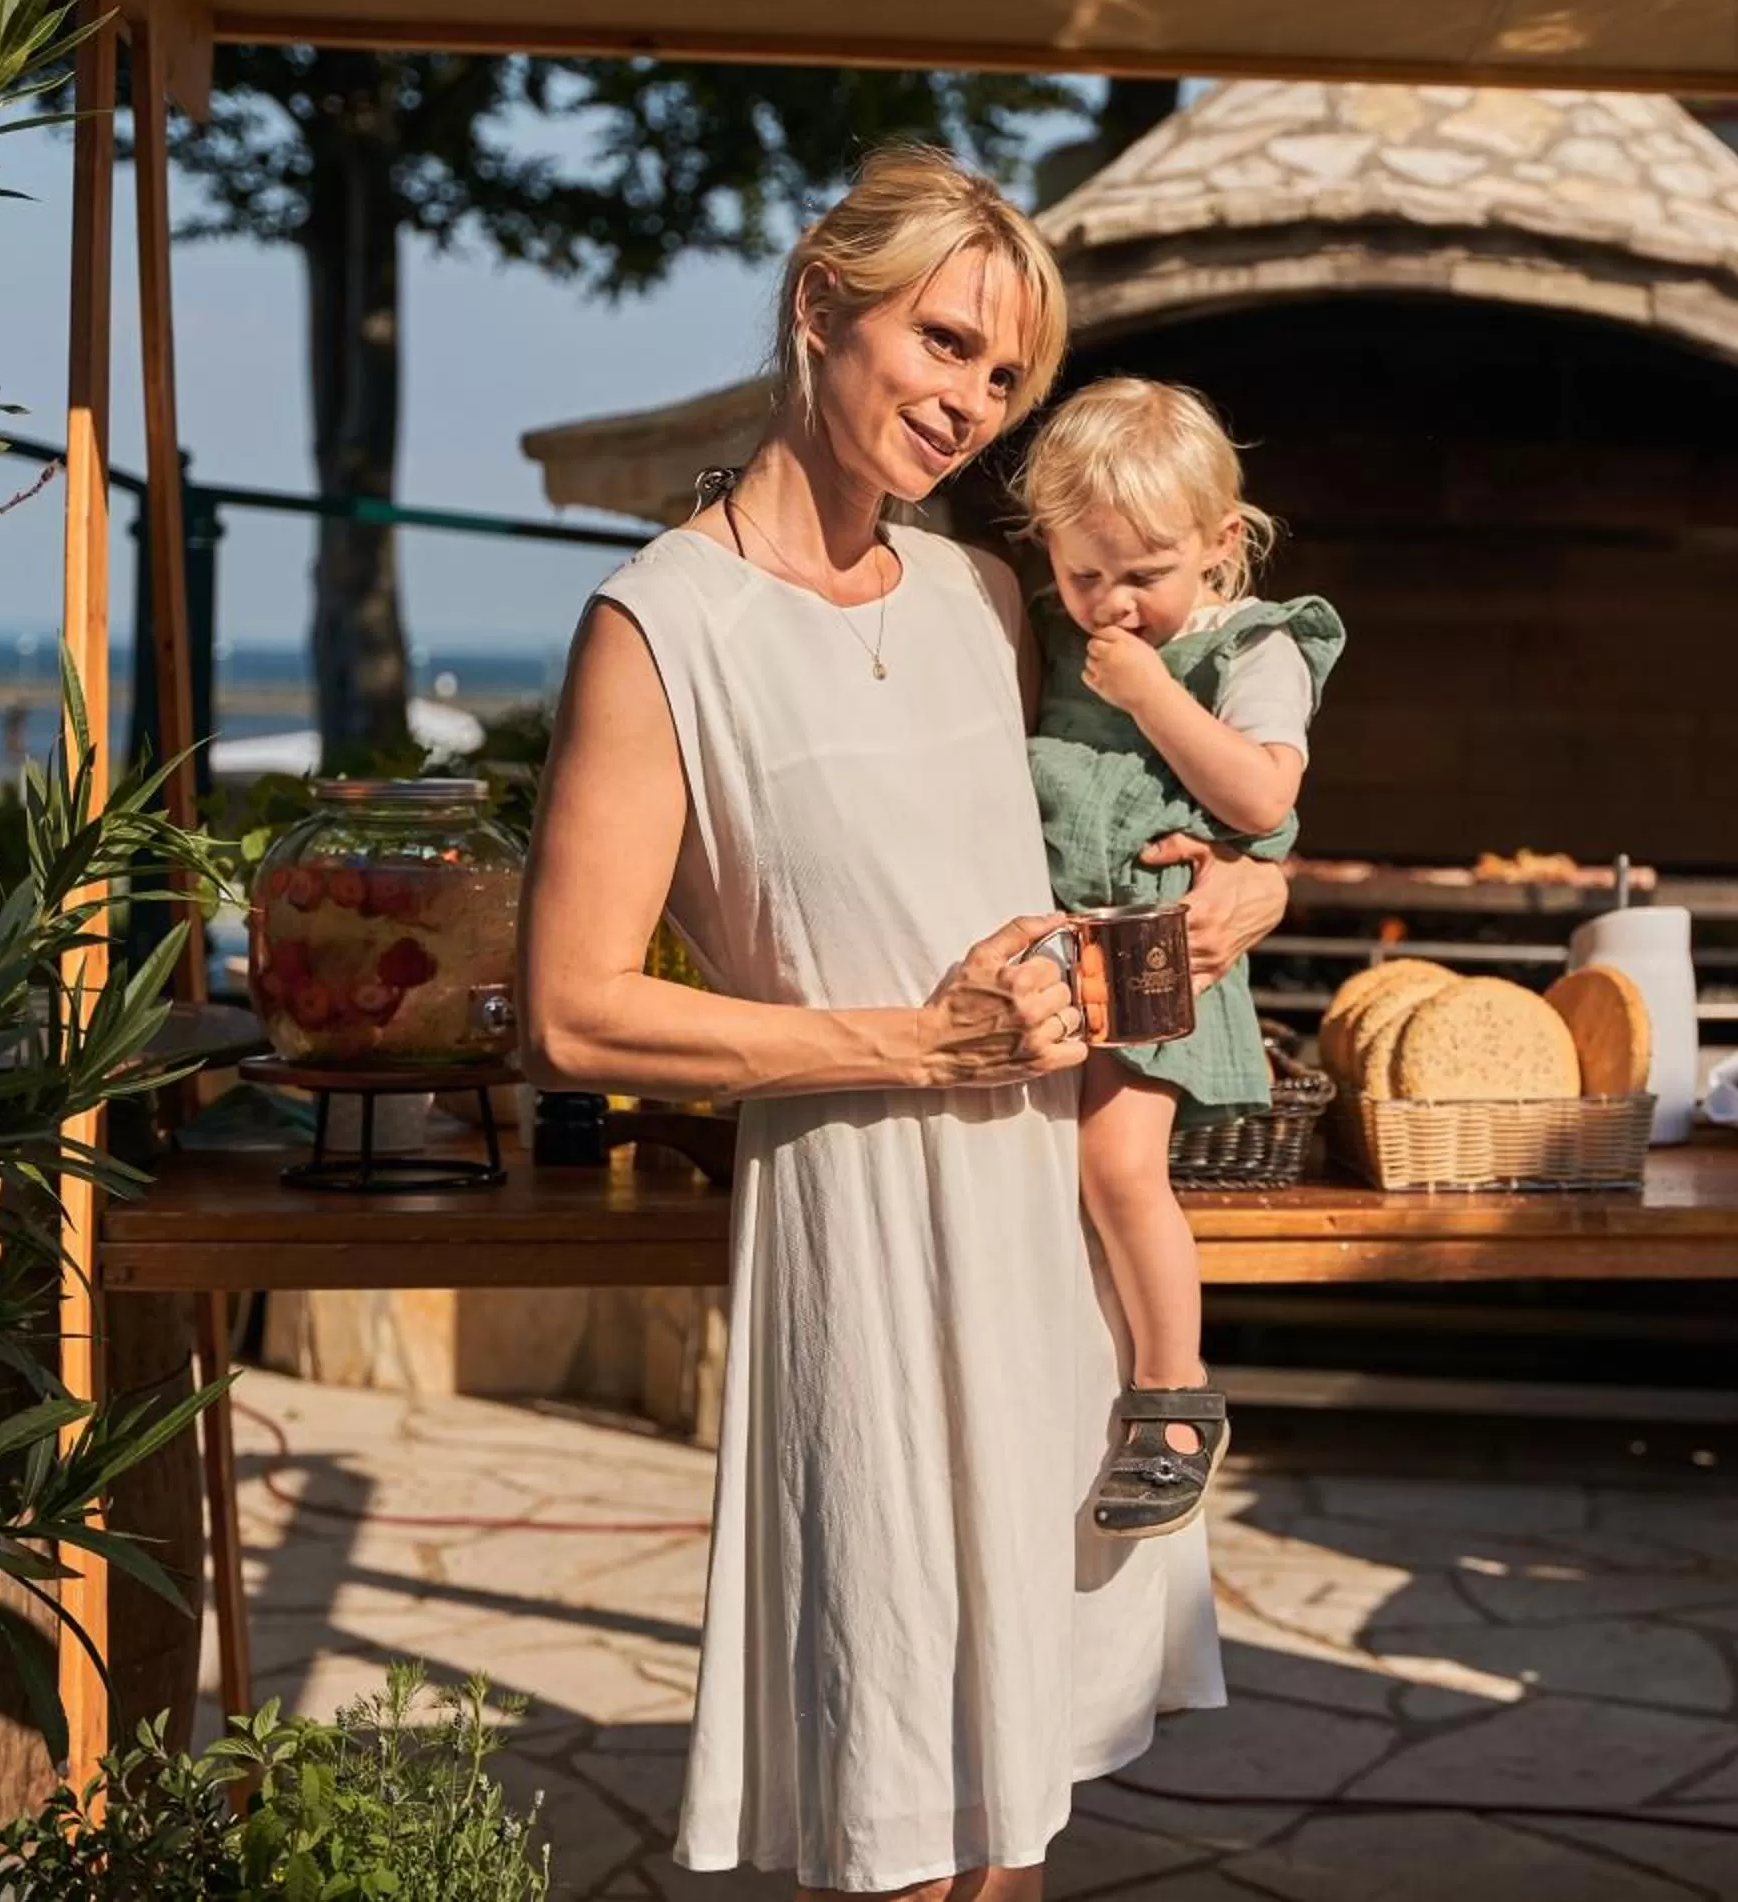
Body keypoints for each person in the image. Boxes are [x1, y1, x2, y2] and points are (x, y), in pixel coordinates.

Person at [517, 147, 1285, 1901]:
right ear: (818, 307)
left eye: (1005, 378)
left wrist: (1247, 897)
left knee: (1011, 1812)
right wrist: (910, 1048)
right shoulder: (662, 626)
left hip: (1044, 1242)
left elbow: (1091, 875)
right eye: (945, 345)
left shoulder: (984, 600)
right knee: (900, 1812)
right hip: (860, 1241)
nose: (970, 406)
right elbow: (571, 1013)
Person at [1012, 379, 1343, 1539]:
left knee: (1114, 1165)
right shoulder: (1047, 636)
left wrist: (1152, 694)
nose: (1110, 603)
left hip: (1162, 949)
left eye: (1141, 573)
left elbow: (1260, 794)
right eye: (1082, 572)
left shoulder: (1251, 646)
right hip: (1056, 948)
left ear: (1219, 542)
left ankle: (1175, 1397)